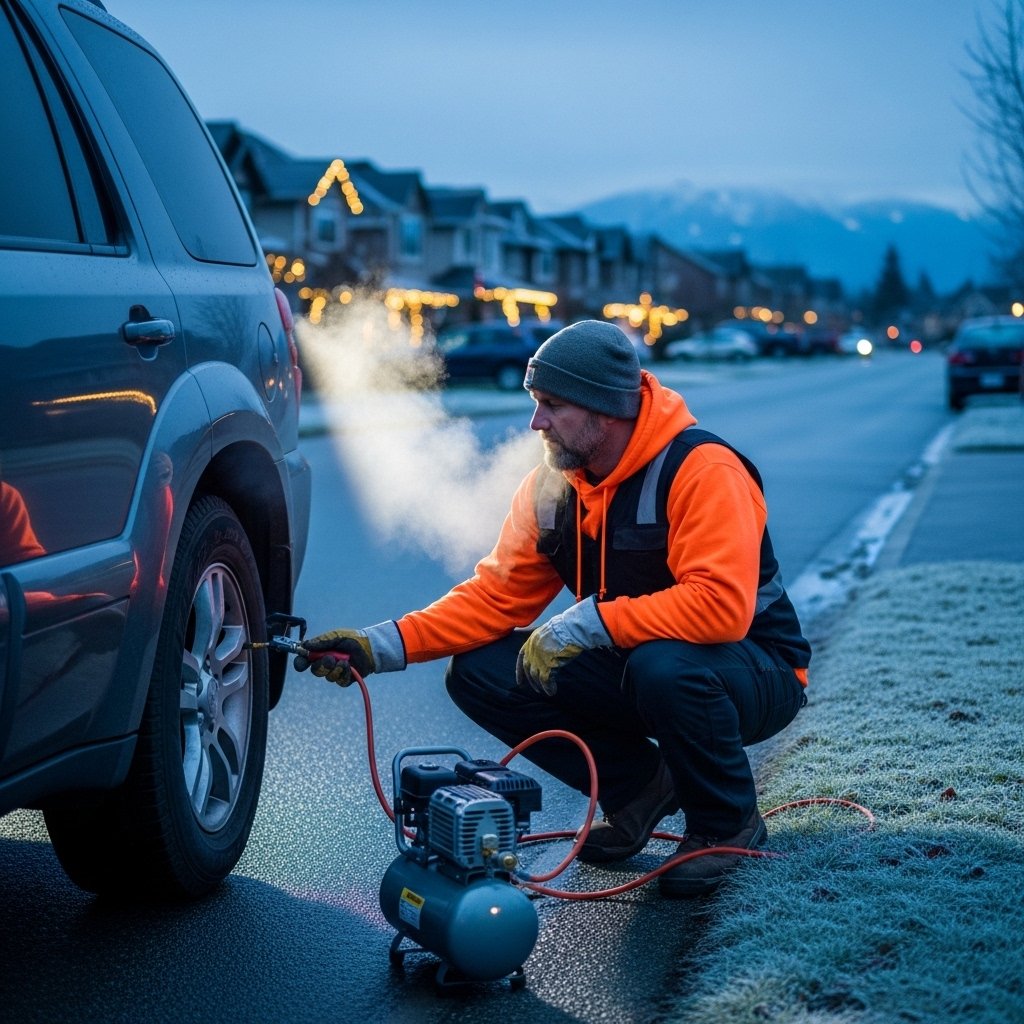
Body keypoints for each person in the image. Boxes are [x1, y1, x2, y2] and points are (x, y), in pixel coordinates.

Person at [295, 320, 810, 896]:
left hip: (754, 669)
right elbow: (494, 597)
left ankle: (725, 824)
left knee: (663, 666)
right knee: (481, 670)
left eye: (551, 405)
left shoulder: (702, 470)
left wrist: (588, 623)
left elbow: (721, 609)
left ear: (604, 409)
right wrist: (379, 646)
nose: (535, 422)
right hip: (647, 663)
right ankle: (640, 789)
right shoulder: (553, 488)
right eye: (535, 403)